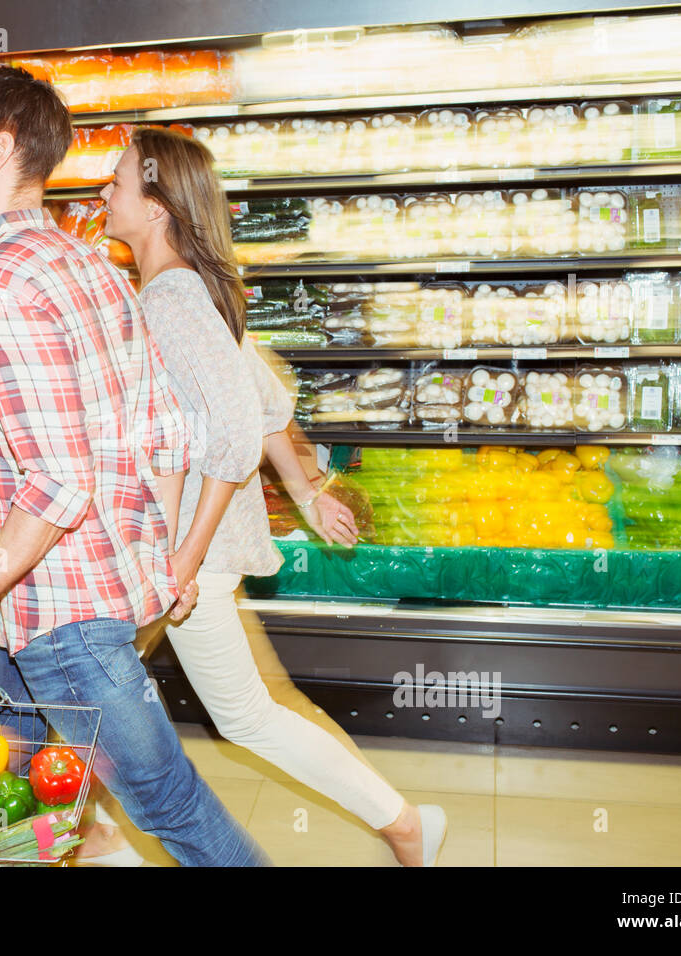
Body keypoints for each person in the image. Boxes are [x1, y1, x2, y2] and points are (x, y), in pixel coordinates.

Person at [0, 67, 269, 867]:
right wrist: (161, 560)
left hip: (63, 619)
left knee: (175, 810)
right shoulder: (90, 267)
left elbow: (58, 480)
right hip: (64, 601)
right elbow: (165, 430)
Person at [88, 126, 447, 866]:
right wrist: (307, 490)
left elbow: (234, 425)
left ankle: (403, 824)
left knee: (239, 715)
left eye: (116, 182)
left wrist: (182, 561)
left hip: (190, 551)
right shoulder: (179, 287)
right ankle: (97, 839)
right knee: (89, 690)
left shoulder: (173, 299)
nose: (103, 193)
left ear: (156, 207)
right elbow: (264, 395)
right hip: (177, 547)